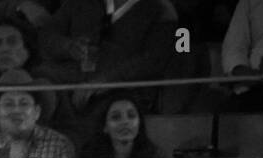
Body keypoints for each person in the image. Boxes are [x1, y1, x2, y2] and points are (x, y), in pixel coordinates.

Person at [38, 0, 179, 113]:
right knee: (41, 79)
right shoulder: (78, 3)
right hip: (73, 78)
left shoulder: (159, 9)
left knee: (113, 108)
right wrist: (68, 47)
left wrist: (105, 81)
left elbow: (153, 60)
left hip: (123, 88)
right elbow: (47, 35)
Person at [0, 69, 75, 158]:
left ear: (37, 112)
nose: (16, 110)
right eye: (8, 104)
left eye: (24, 104)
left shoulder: (58, 144)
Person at [78, 95, 161, 158]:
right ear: (105, 126)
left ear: (140, 123)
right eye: (116, 117)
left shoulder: (154, 157)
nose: (125, 122)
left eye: (131, 116)